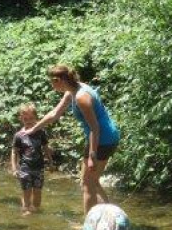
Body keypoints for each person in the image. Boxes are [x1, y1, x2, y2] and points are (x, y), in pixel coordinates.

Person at [26, 65, 120, 215]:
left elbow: (95, 128)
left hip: (103, 139)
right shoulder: (73, 90)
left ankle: (90, 225)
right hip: (102, 137)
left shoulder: (81, 97)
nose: (51, 85)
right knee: (92, 182)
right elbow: (55, 114)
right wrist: (34, 128)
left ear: (60, 80)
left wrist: (92, 156)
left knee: (87, 184)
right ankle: (109, 218)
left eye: (52, 82)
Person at [11, 104, 53, 215]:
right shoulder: (19, 135)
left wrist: (51, 162)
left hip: (39, 167)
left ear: (36, 118)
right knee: (27, 191)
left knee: (38, 192)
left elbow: (45, 148)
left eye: (31, 118)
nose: (28, 121)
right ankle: (26, 209)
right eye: (25, 119)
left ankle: (35, 211)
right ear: (21, 119)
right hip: (25, 168)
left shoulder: (41, 132)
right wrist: (14, 168)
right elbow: (14, 152)